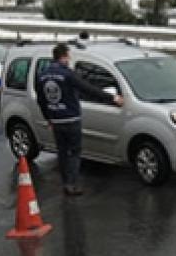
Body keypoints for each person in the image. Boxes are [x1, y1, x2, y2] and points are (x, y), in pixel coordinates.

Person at [35, 43, 124, 196]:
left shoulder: (42, 75)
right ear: (63, 56)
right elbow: (88, 88)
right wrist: (112, 98)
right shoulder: (68, 74)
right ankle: (72, 184)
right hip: (71, 118)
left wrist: (48, 117)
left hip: (56, 120)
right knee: (75, 152)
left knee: (62, 153)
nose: (69, 58)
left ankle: (65, 183)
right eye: (68, 55)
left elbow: (41, 100)